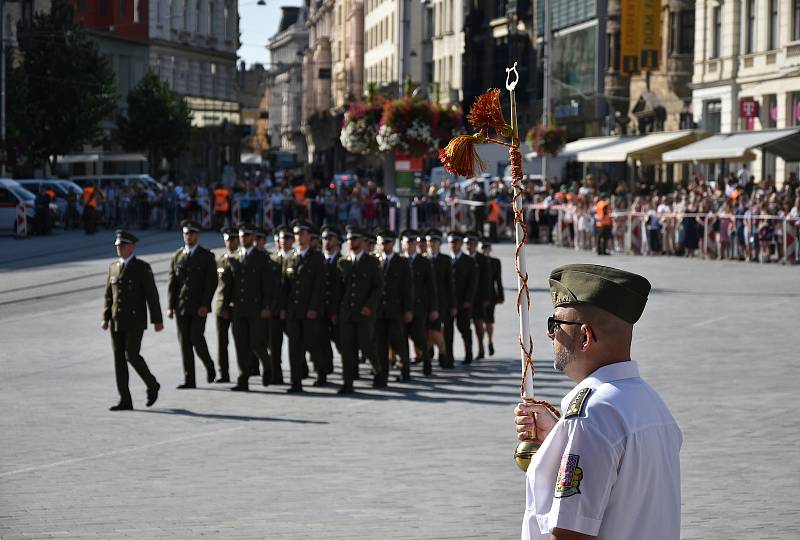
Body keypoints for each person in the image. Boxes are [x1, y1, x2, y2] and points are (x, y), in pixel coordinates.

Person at [514, 264, 681, 540]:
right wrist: (560, 436)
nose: (550, 335)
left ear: (585, 336)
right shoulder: (649, 402)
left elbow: (571, 533)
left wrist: (572, 432)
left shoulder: (591, 415)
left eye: (556, 324)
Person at [101, 230, 163, 410]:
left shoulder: (141, 267)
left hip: (135, 320)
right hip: (116, 320)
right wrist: (105, 317)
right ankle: (125, 400)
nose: (119, 248)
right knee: (119, 360)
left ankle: (152, 384)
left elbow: (152, 295)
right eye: (117, 246)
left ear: (131, 247)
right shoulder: (113, 267)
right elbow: (108, 296)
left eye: (122, 245)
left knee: (132, 355)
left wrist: (157, 320)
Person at [220, 223, 277, 391]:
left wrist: (267, 306)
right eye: (241, 236)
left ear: (253, 238)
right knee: (240, 344)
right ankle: (243, 378)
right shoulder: (234, 257)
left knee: (256, 343)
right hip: (238, 309)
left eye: (247, 236)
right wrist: (224, 305)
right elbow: (228, 285)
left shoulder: (261, 258)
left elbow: (268, 285)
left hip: (256, 308)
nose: (243, 239)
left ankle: (267, 366)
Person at [167, 220, 218, 389]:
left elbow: (211, 283)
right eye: (186, 234)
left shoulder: (206, 256)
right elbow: (172, 283)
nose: (188, 236)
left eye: (191, 233)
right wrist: (170, 306)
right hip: (181, 306)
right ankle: (190, 379)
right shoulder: (177, 256)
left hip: (199, 306)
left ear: (198, 235)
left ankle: (209, 364)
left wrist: (205, 304)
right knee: (184, 343)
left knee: (196, 336)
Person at [281, 219, 327, 392]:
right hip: (294, 311)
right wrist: (284, 308)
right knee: (294, 348)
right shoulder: (290, 257)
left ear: (309, 236)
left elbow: (319, 286)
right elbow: (284, 285)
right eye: (296, 234)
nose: (299, 237)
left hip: (310, 311)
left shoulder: (316, 258)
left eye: (302, 234)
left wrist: (314, 308)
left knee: (312, 344)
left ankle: (321, 371)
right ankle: (296, 382)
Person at [337, 225, 384, 394]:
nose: (351, 242)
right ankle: (347, 382)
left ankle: (379, 370)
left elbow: (378, 287)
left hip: (364, 313)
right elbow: (339, 290)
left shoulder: (371, 262)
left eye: (354, 238)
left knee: (366, 346)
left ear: (363, 241)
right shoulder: (343, 263)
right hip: (347, 313)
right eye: (349, 239)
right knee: (347, 349)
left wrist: (369, 306)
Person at [375, 229, 413, 382]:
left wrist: (408, 309)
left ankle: (405, 369)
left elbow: (408, 288)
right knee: (380, 343)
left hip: (395, 309)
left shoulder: (402, 262)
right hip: (379, 311)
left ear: (393, 243)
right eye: (381, 243)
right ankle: (382, 374)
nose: (384, 246)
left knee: (398, 342)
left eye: (387, 242)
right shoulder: (374, 261)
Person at [401, 229, 438, 376]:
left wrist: (433, 308)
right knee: (401, 338)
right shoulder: (399, 261)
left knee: (419, 336)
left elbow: (431, 287)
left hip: (419, 307)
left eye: (412, 242)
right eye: (407, 242)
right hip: (402, 306)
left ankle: (426, 361)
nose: (410, 245)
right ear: (403, 244)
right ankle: (405, 369)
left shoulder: (424, 262)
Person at [212, 227, 239, 383]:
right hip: (221, 307)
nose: (229, 243)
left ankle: (247, 369)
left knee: (241, 340)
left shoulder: (243, 259)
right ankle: (223, 373)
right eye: (227, 239)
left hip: (237, 306)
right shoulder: (220, 259)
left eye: (232, 240)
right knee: (222, 342)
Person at [427, 228, 456, 369]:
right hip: (427, 303)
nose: (431, 244)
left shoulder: (445, 260)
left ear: (439, 243)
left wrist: (453, 305)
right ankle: (430, 355)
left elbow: (450, 284)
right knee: (429, 330)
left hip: (443, 302)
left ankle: (446, 356)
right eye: (429, 241)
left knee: (446, 331)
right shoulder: (423, 258)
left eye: (434, 241)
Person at [269, 225, 294, 384]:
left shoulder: (295, 258)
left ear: (292, 240)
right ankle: (276, 375)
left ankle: (300, 370)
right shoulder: (272, 259)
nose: (282, 241)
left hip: (291, 310)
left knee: (296, 343)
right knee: (274, 344)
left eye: (286, 238)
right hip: (274, 309)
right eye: (280, 238)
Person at [448, 231, 478, 364]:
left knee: (464, 328)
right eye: (451, 243)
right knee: (447, 331)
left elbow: (473, 283)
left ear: (461, 244)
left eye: (456, 242)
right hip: (448, 303)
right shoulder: (446, 260)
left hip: (463, 302)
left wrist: (468, 301)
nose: (454, 245)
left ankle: (468, 353)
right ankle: (448, 356)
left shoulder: (469, 261)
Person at [320, 225, 343, 377]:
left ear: (338, 242)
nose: (327, 242)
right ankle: (324, 370)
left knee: (343, 343)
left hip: (339, 311)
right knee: (322, 342)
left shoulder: (343, 262)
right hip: (321, 310)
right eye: (325, 238)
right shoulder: (318, 261)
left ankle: (351, 370)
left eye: (330, 238)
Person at [465, 231, 491, 360]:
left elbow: (486, 279)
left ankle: (481, 347)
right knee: (465, 327)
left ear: (476, 244)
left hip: (479, 298)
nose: (469, 246)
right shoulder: (463, 258)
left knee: (478, 326)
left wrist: (486, 297)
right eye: (467, 244)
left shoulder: (482, 259)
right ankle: (468, 350)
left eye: (471, 243)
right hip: (465, 299)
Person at [480, 238, 504, 356]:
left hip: (491, 296)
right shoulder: (475, 261)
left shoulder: (495, 262)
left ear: (490, 249)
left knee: (489, 321)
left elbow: (498, 280)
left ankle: (489, 341)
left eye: (486, 247)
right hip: (477, 297)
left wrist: (501, 296)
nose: (484, 250)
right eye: (482, 247)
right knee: (479, 322)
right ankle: (481, 346)